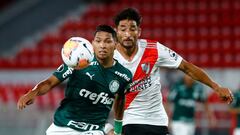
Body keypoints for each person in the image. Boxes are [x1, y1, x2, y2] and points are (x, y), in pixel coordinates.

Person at [105, 8, 233, 135]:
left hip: (158, 121)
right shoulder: (108, 57)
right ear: (116, 32)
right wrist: (113, 127)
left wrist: (216, 87)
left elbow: (186, 67)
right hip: (130, 120)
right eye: (123, 29)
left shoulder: (154, 49)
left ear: (139, 32)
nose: (127, 34)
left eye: (132, 29)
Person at [17, 25, 132, 135]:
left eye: (107, 41)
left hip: (93, 128)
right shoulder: (78, 63)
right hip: (62, 125)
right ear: (92, 44)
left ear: (116, 44)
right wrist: (33, 92)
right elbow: (50, 82)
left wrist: (117, 129)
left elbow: (120, 100)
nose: (102, 45)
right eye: (98, 41)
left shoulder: (124, 75)